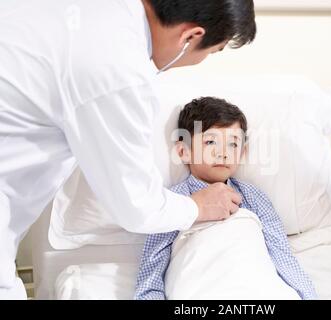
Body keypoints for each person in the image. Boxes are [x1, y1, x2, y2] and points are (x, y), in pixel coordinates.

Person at [0, 0, 256, 299]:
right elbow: (137, 206)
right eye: (212, 52)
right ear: (190, 37)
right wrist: (197, 206)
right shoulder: (117, 70)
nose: (223, 153)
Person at [134, 97, 317, 300]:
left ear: (242, 153)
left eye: (233, 144)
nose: (223, 153)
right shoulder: (172, 202)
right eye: (211, 141)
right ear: (184, 151)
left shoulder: (253, 197)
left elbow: (282, 256)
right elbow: (151, 273)